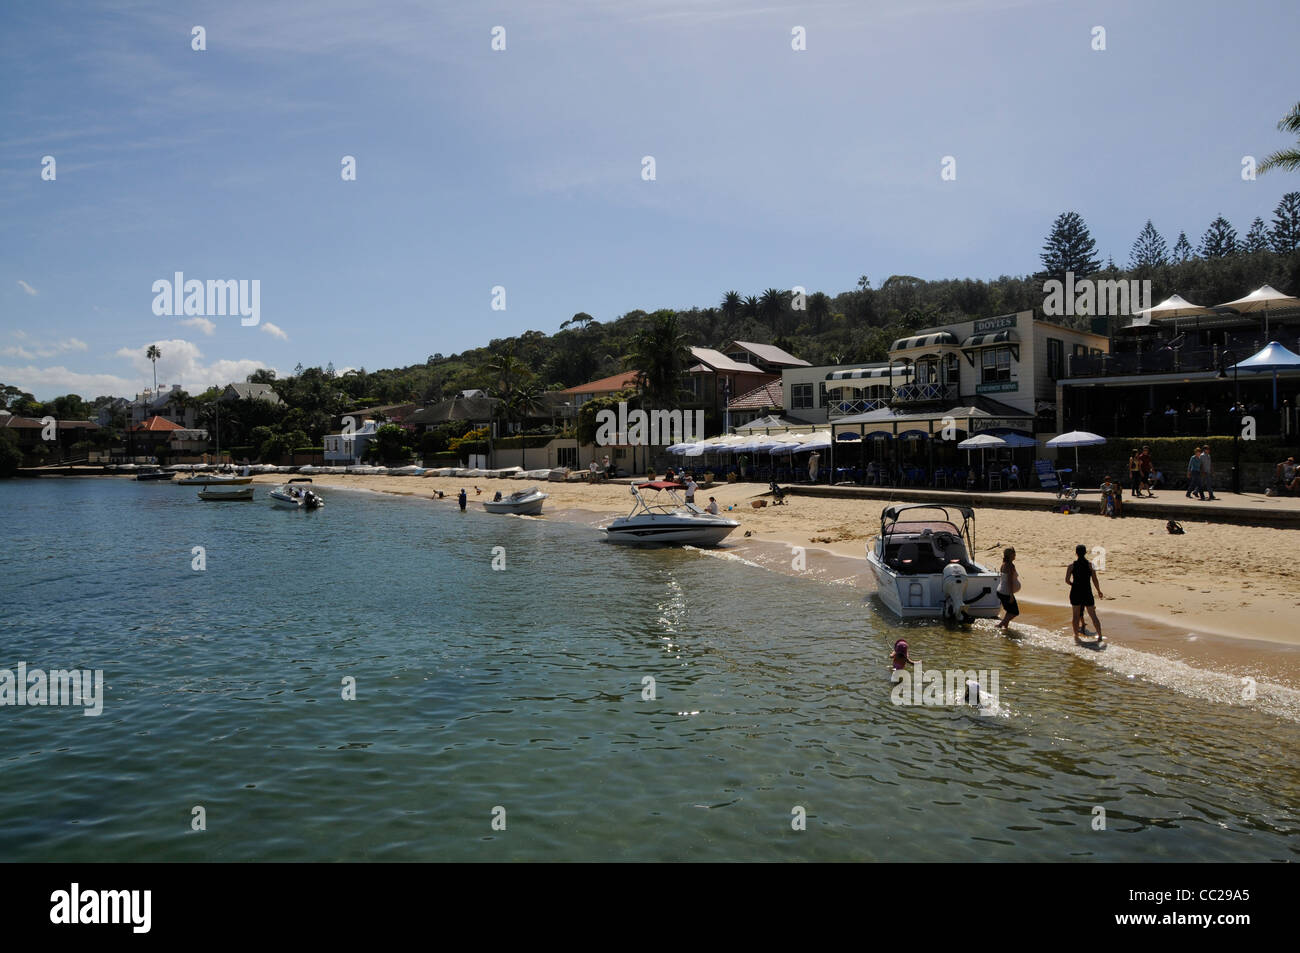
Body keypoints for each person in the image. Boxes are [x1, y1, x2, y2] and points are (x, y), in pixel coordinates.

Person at [1066, 543, 1104, 644]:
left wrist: (1073, 585)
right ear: (1085, 553)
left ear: (1076, 553)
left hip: (1075, 592)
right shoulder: (1090, 565)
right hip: (1087, 592)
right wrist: (1099, 591)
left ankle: (1076, 636)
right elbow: (1095, 580)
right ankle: (1100, 636)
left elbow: (1066, 580)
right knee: (1093, 615)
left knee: (1075, 615)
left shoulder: (1071, 566)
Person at [995, 547, 1020, 629]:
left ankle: (1005, 627)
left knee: (1009, 611)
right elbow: (1009, 581)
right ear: (1010, 555)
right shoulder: (1010, 566)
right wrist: (1011, 595)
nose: (1015, 555)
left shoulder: (1003, 564)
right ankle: (1000, 625)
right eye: (1014, 553)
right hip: (1006, 593)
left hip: (1001, 591)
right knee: (1014, 612)